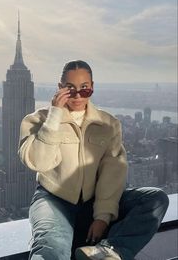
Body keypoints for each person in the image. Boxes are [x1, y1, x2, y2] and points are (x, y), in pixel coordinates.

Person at [18, 60, 169, 260]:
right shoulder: (36, 120)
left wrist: (103, 216)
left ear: (92, 88)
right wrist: (54, 116)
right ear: (60, 88)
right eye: (71, 89)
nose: (78, 96)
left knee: (155, 199)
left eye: (85, 89)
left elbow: (112, 173)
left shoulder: (108, 124)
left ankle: (109, 251)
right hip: (53, 199)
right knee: (50, 249)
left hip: (93, 199)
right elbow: (38, 162)